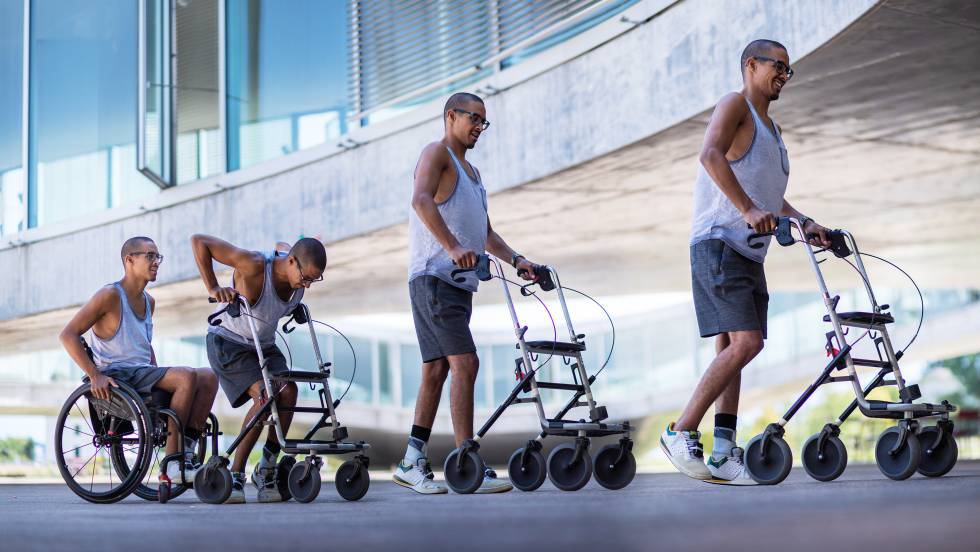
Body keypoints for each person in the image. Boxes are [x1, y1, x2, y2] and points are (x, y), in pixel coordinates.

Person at [660, 40, 831, 484]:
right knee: (747, 343)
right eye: (778, 67)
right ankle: (679, 431)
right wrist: (747, 211)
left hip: (749, 253)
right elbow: (710, 155)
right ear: (750, 64)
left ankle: (721, 449)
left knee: (733, 349)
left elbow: (771, 197)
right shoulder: (734, 104)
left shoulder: (772, 130)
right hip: (719, 243)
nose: (783, 76)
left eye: (788, 71)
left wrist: (806, 222)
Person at [392, 92, 541, 494]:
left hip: (457, 285)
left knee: (437, 370)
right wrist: (452, 247)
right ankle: (466, 459)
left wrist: (517, 260)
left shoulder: (473, 175)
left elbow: (487, 234)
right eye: (473, 118)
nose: (478, 126)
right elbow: (421, 200)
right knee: (466, 363)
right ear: (451, 116)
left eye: (483, 121)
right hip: (434, 278)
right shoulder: (436, 153)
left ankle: (411, 460)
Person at [59, 236, 218, 486]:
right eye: (150, 256)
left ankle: (186, 449)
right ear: (129, 260)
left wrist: (161, 373)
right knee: (186, 375)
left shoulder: (149, 301)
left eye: (158, 257)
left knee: (208, 376)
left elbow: (144, 345)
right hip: (117, 374)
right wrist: (94, 375)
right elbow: (68, 334)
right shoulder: (110, 295)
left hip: (142, 372)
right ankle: (173, 463)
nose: (156, 262)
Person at [191, 234, 326, 503]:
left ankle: (266, 467)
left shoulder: (292, 265)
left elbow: (282, 245)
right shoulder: (253, 265)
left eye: (314, 280)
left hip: (262, 344)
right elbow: (199, 242)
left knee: (288, 392)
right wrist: (214, 287)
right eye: (306, 278)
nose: (307, 286)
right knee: (266, 397)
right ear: (291, 262)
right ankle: (236, 474)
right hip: (228, 341)